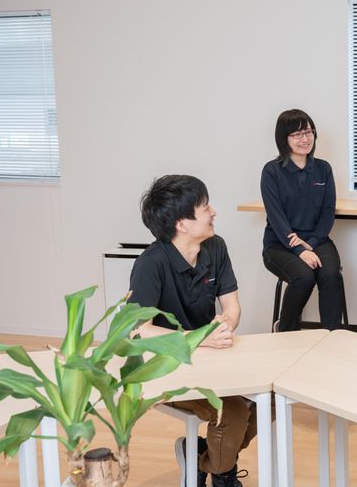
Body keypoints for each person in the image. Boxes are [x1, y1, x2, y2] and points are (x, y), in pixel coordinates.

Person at [128, 175, 251, 487]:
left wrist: (224, 326)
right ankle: (223, 476)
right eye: (205, 207)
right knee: (233, 411)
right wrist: (201, 339)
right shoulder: (151, 264)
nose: (214, 212)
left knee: (267, 401)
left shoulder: (215, 247)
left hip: (210, 361)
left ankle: (200, 458)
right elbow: (138, 333)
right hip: (166, 369)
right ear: (182, 224)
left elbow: (232, 307)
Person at [260, 109, 345, 331]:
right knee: (304, 277)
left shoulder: (323, 169)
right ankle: (286, 331)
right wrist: (299, 250)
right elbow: (276, 217)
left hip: (317, 240)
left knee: (330, 274)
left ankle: (331, 335)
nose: (305, 139)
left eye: (308, 132)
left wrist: (312, 243)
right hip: (280, 244)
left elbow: (328, 212)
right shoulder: (272, 171)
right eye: (296, 134)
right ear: (284, 138)